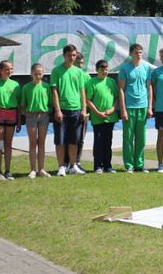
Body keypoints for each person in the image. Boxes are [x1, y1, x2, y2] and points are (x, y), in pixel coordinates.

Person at [51, 44, 87, 176]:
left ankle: (73, 166)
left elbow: (82, 91)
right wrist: (57, 110)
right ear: (64, 55)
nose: (72, 58)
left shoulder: (78, 72)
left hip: (76, 110)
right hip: (62, 111)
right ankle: (61, 166)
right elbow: (54, 91)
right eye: (69, 55)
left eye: (74, 55)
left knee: (74, 140)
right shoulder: (56, 71)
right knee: (60, 140)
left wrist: (83, 109)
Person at [118, 43, 152, 173]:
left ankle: (139, 164)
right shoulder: (125, 68)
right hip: (129, 106)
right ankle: (129, 165)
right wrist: (123, 110)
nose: (138, 55)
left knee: (141, 138)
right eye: (136, 52)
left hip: (143, 106)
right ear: (130, 54)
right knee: (128, 137)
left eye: (140, 52)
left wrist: (149, 107)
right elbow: (121, 89)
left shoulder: (147, 68)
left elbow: (149, 87)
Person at [0, 60, 21, 180]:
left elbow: (18, 105)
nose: (9, 71)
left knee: (8, 145)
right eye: (7, 69)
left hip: (11, 116)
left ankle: (8, 171)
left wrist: (18, 120)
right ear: (0, 70)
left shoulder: (16, 85)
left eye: (11, 69)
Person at [86, 59, 119, 174]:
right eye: (102, 69)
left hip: (110, 117)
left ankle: (108, 166)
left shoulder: (111, 82)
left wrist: (111, 110)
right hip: (97, 118)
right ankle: (97, 166)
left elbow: (116, 98)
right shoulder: (91, 82)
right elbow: (88, 100)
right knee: (99, 142)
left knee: (108, 142)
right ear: (97, 70)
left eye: (106, 69)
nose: (105, 71)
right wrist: (97, 113)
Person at [21, 63, 51, 178]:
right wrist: (28, 114)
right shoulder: (26, 87)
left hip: (44, 116)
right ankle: (33, 169)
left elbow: (50, 103)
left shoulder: (46, 87)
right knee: (33, 143)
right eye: (36, 74)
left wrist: (47, 111)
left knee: (41, 143)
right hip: (31, 117)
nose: (38, 76)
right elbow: (23, 105)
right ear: (31, 74)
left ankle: (41, 169)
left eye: (40, 74)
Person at [66, 53, 91, 170]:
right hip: (72, 110)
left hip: (83, 112)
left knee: (80, 138)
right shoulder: (68, 73)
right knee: (69, 138)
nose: (80, 65)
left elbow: (89, 95)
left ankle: (77, 161)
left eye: (81, 63)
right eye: (78, 63)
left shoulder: (86, 76)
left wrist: (85, 110)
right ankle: (66, 162)